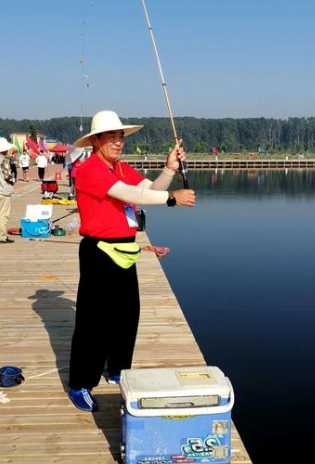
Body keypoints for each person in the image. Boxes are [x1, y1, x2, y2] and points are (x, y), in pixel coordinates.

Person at [67, 110, 196, 412]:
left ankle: (117, 369)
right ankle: (80, 383)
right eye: (111, 136)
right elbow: (124, 193)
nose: (118, 141)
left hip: (125, 249)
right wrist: (173, 199)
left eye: (120, 136)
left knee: (127, 315)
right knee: (93, 322)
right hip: (99, 251)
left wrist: (169, 169)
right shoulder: (89, 170)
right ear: (96, 140)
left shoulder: (121, 168)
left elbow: (145, 192)